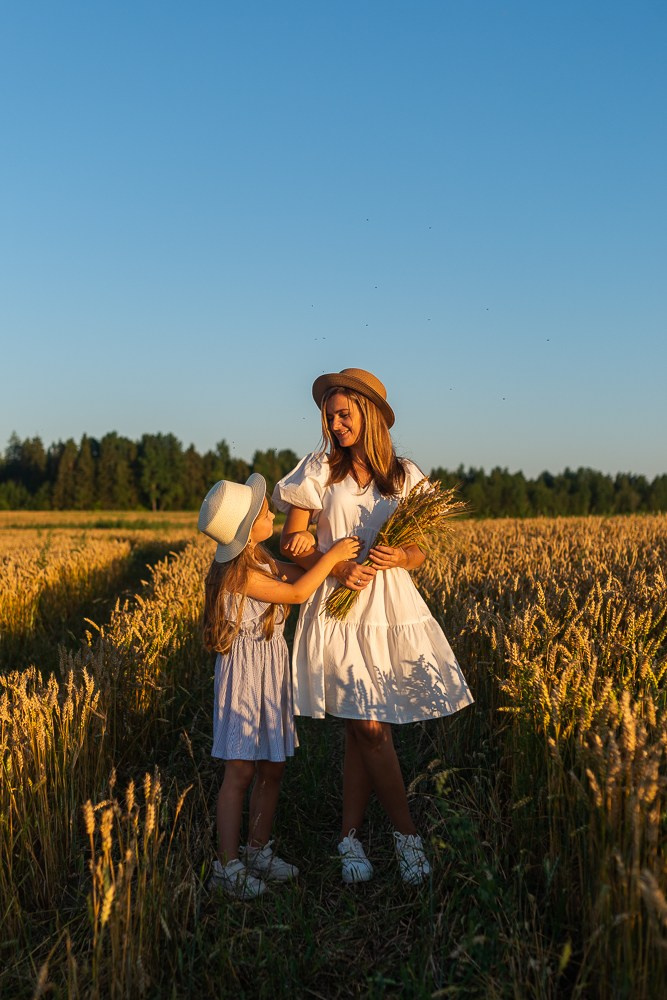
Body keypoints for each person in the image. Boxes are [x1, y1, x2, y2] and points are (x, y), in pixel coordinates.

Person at [272, 367, 473, 885]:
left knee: (363, 728)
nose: (335, 424)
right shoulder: (318, 470)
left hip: (387, 608)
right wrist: (335, 563)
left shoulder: (404, 476)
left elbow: (422, 552)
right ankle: (407, 838)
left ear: (371, 415)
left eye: (344, 414)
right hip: (337, 606)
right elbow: (293, 538)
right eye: (329, 416)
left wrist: (399, 554)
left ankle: (349, 837)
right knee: (366, 726)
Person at [199, 473, 360, 899]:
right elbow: (298, 593)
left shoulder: (263, 560)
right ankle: (227, 866)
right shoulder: (238, 574)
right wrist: (334, 555)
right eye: (265, 510)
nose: (273, 512)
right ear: (247, 527)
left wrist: (337, 566)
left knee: (272, 765)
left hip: (270, 670)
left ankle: (257, 850)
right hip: (244, 675)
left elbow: (306, 575)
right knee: (240, 769)